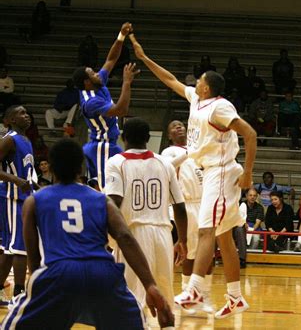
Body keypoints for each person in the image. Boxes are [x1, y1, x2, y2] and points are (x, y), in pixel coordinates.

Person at [132, 35, 256, 319]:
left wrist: (248, 172)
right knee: (224, 238)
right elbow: (171, 80)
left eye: (199, 79)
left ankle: (195, 289)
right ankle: (235, 296)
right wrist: (143, 57)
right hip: (211, 169)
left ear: (208, 86)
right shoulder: (195, 99)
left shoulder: (220, 106)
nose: (194, 81)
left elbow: (250, 133)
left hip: (221, 170)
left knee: (205, 230)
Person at [3, 138, 174, 329]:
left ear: (51, 168)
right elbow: (125, 237)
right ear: (80, 169)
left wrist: (40, 290)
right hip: (102, 273)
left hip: (58, 272)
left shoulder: (34, 201)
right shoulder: (103, 200)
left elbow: (33, 256)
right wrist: (149, 284)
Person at [105, 118, 188, 326]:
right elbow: (179, 206)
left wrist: (105, 237)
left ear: (123, 138)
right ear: (149, 139)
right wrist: (183, 241)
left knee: (132, 297)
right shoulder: (164, 163)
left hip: (132, 236)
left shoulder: (116, 162)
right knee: (164, 297)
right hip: (163, 235)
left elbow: (113, 203)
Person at [72, 22, 137, 191]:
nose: (97, 72)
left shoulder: (97, 83)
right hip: (102, 145)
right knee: (107, 188)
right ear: (87, 82)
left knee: (114, 186)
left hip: (108, 144)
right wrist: (127, 83)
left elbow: (111, 59)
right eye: (92, 73)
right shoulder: (91, 102)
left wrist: (121, 36)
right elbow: (121, 111)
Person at [161, 120, 214, 314]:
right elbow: (168, 166)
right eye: (173, 126)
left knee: (209, 251)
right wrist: (191, 151)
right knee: (189, 252)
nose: (179, 127)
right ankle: (187, 294)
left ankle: (205, 295)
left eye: (181, 125)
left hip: (205, 202)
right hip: (186, 204)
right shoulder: (169, 152)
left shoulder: (198, 150)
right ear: (169, 135)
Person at [0, 106, 35, 306]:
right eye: (21, 113)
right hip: (11, 198)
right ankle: (19, 294)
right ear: (10, 120)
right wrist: (16, 180)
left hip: (22, 197)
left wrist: (32, 184)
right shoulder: (9, 139)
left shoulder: (26, 141)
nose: (27, 116)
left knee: (8, 248)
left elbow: (26, 172)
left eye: (27, 113)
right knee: (19, 248)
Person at [233, 188, 265, 266]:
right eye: (250, 195)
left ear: (257, 196)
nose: (252, 197)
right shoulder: (241, 204)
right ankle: (242, 257)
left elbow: (258, 222)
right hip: (241, 225)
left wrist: (251, 230)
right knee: (240, 231)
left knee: (256, 238)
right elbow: (238, 217)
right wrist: (244, 223)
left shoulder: (260, 207)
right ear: (246, 196)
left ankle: (250, 256)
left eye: (254, 195)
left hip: (254, 227)